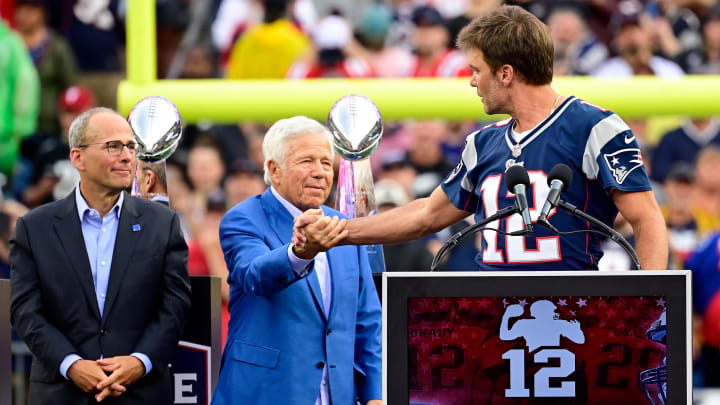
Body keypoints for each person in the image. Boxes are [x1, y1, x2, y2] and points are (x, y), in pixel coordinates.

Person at [295, 5, 668, 271]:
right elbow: (427, 214)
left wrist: (650, 307)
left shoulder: (594, 127)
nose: (472, 80)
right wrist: (339, 231)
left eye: (476, 70)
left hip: (571, 317)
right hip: (491, 318)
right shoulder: (482, 143)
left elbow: (647, 220)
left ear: (505, 73)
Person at [10, 107, 192, 403]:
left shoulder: (163, 223)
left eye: (131, 146)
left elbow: (175, 305)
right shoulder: (34, 228)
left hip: (140, 392)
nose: (127, 156)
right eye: (113, 146)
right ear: (77, 157)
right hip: (62, 392)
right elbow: (25, 311)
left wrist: (139, 361)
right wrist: (72, 365)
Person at [211, 116, 382, 405]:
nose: (320, 173)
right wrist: (300, 252)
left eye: (326, 163)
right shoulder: (243, 219)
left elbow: (367, 320)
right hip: (264, 395)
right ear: (273, 170)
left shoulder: (346, 227)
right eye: (307, 161)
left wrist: (375, 395)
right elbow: (254, 275)